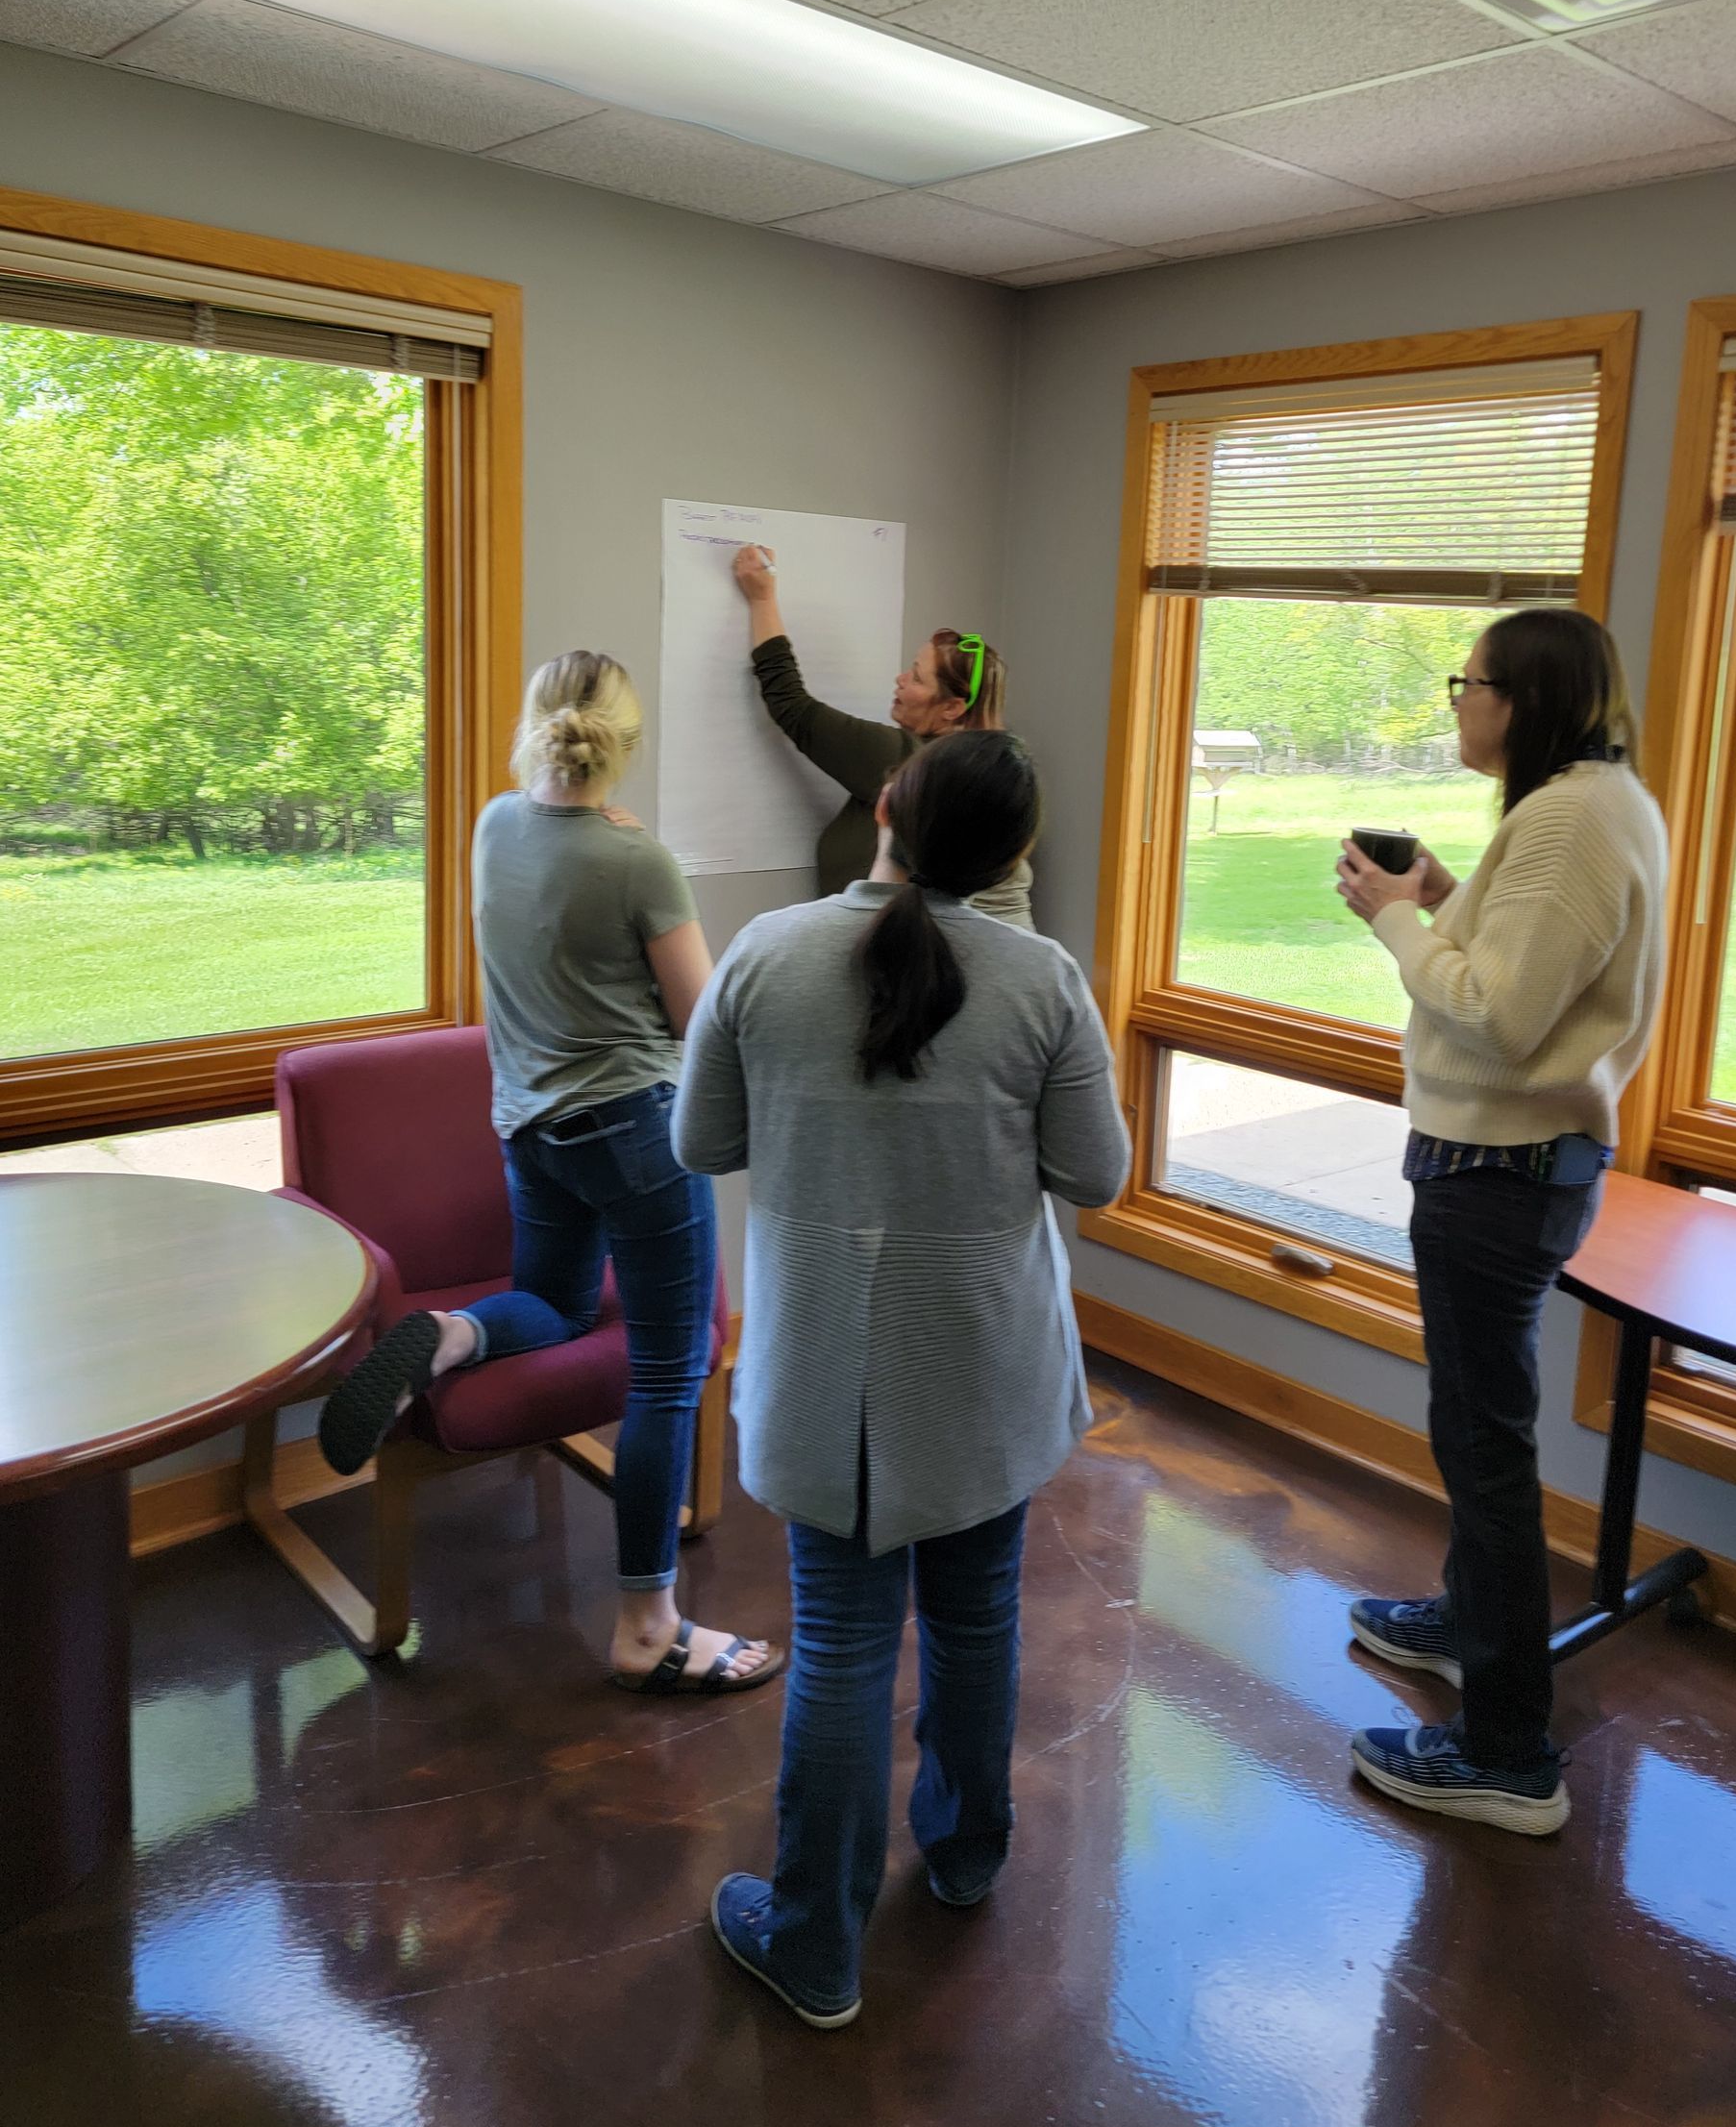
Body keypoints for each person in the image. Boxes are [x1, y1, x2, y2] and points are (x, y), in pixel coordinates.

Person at [673, 729, 1128, 2026]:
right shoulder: (1038, 978)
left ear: (880, 809)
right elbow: (1095, 1173)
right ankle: (967, 1855)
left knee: (841, 1641)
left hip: (824, 1361)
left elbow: (701, 1136)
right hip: (979, 1365)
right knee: (978, 1618)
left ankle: (815, 1943)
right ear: (1014, 859)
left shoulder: (767, 952)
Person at [318, 650, 781, 1697]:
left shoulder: (494, 824)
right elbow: (699, 1018)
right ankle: (646, 1623)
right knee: (673, 1368)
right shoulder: (637, 862)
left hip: (530, 1127)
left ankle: (452, 1335)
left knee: (558, 1305)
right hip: (635, 1133)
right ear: (626, 738)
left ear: (539, 724)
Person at [1333, 606, 1666, 1836]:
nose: (1457, 701)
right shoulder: (1585, 807)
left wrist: (1394, 918)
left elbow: (1505, 1009)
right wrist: (1444, 891)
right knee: (1475, 1426)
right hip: (1510, 1164)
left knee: (1484, 1446)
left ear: (1520, 698)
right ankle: (1474, 1631)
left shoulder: (1573, 817)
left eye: (1466, 682)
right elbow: (1540, 958)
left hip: (1500, 1170)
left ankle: (1509, 1751)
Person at [732, 542, 1034, 928]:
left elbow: (792, 706)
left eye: (917, 677)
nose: (900, 679)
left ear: (951, 709)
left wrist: (762, 598)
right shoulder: (985, 775)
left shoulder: (905, 761)